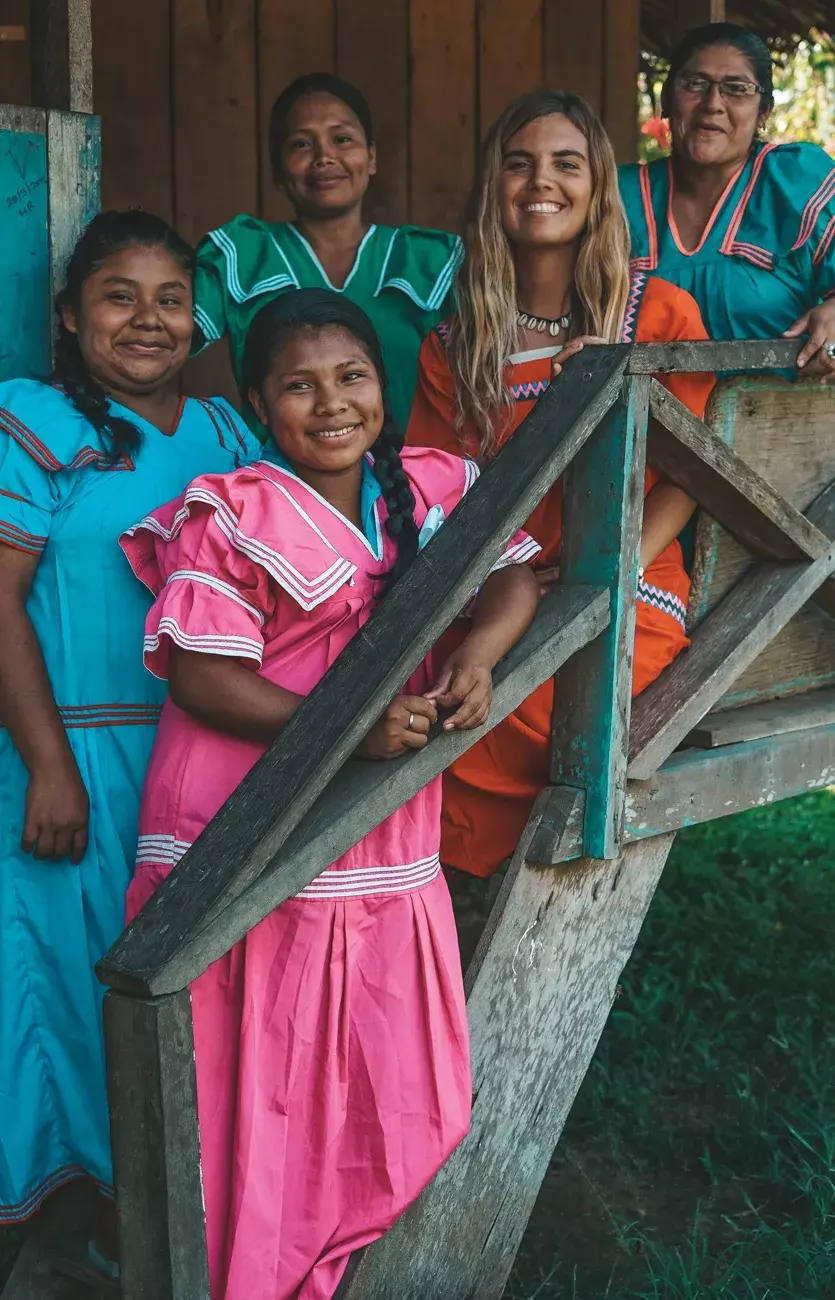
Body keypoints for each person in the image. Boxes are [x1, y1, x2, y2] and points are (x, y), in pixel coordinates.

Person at [120, 288, 540, 1299]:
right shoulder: (235, 508)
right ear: (261, 404)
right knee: (258, 1084)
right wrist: (346, 731)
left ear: (381, 388)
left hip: (378, 823)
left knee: (395, 1081)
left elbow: (520, 574)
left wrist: (477, 655)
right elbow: (203, 675)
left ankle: (322, 1256)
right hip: (245, 813)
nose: (331, 402)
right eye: (299, 386)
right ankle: (248, 1274)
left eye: (351, 376)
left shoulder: (435, 486)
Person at [0, 211, 259, 1278]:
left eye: (169, 298)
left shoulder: (229, 433)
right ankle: (54, 1217)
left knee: (171, 992)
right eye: (118, 296)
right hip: (67, 762)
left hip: (196, 759)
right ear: (69, 315)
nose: (148, 319)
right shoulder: (38, 417)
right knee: (54, 987)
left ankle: (142, 1212)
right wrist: (52, 765)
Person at [406, 90, 715, 878]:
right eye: (520, 163)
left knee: (529, 704)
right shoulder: (457, 342)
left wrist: (606, 567)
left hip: (626, 580)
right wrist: (505, 585)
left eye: (565, 164)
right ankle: (440, 894)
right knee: (424, 692)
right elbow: (438, 494)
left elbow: (689, 481)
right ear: (492, 188)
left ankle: (509, 876)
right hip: (500, 587)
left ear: (596, 186)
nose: (540, 181)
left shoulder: (659, 315)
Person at [193, 72, 461, 433]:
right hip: (273, 483)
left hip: (411, 482)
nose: (324, 157)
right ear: (277, 168)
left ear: (371, 157)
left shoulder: (430, 260)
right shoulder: (241, 254)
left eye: (342, 139)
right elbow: (157, 341)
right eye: (302, 144)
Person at [620, 22, 835, 379]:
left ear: (763, 110)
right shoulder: (617, 197)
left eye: (736, 89)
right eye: (694, 84)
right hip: (642, 433)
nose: (713, 104)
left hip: (780, 426)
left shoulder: (797, 184)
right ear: (667, 101)